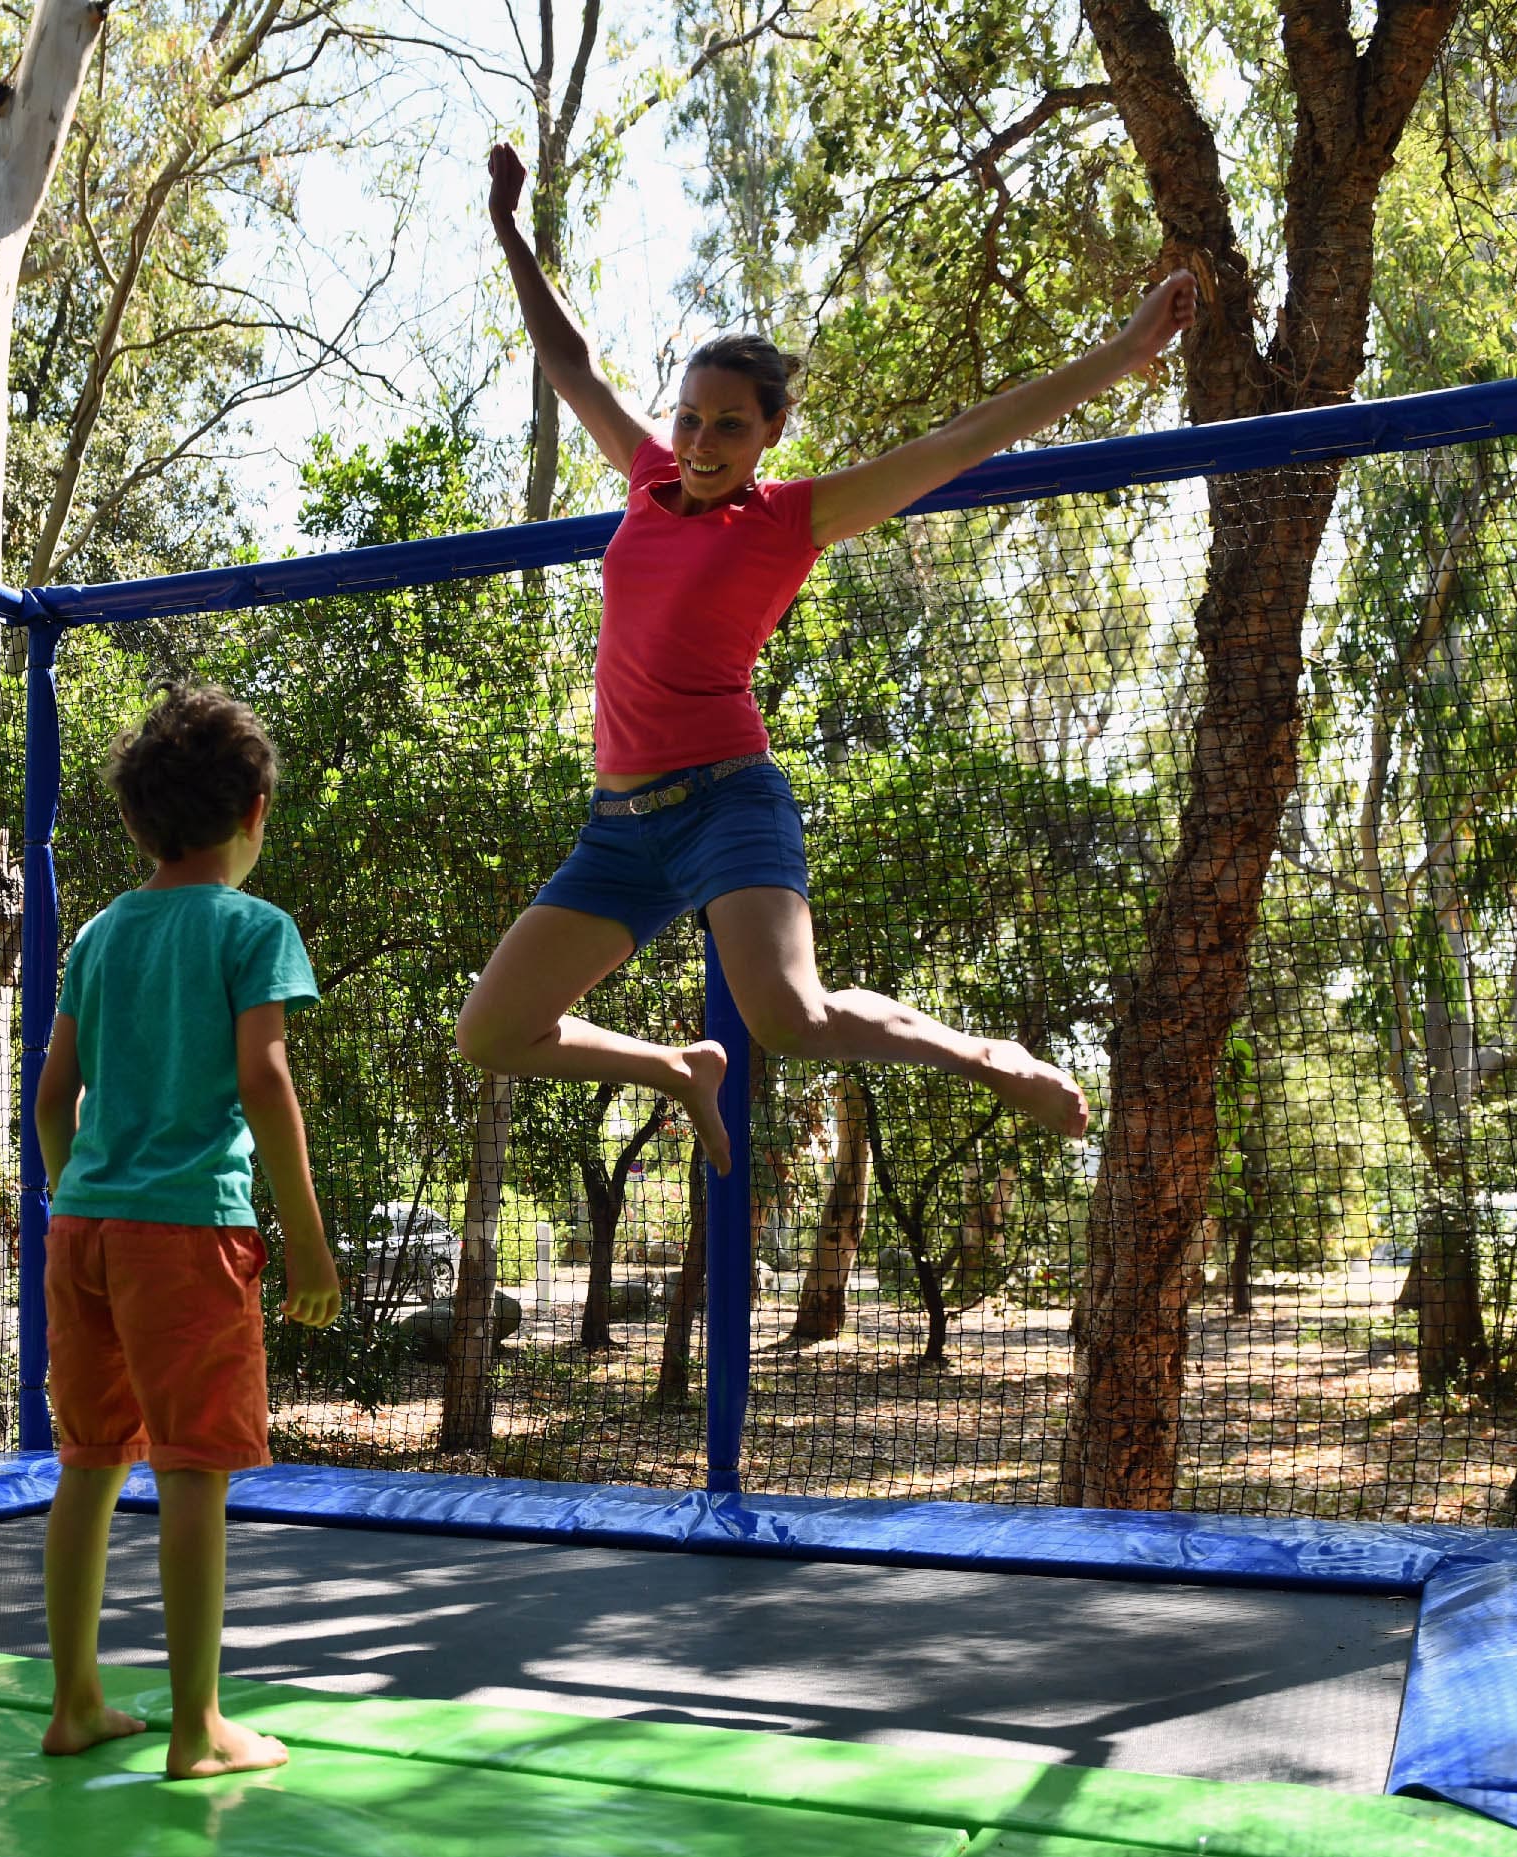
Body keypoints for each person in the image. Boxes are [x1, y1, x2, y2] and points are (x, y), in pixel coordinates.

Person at [454, 144, 1199, 1173]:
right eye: (689, 419)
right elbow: (571, 361)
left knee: (791, 1017)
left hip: (724, 798)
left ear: (767, 435)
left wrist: (1120, 353)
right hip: (620, 828)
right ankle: (677, 1069)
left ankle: (987, 1057)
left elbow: (967, 435)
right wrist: (508, 228)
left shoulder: (791, 519)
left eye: (728, 426)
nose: (702, 441)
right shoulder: (648, 480)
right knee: (491, 1031)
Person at [33, 688, 341, 1780]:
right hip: (185, 1237)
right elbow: (263, 1075)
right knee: (195, 1472)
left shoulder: (103, 935)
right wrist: (304, 1237)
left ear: (137, 822)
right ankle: (195, 1726)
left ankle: (75, 1702)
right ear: (255, 810)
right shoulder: (254, 929)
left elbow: (52, 1096)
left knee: (87, 1465)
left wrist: (84, 1199)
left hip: (82, 1230)